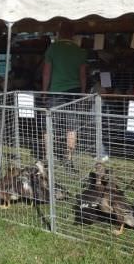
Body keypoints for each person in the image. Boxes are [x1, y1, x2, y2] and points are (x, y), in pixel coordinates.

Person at [42, 22, 87, 170]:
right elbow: (83, 75)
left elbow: (47, 72)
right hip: (73, 93)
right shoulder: (80, 51)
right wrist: (82, 93)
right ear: (73, 34)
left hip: (55, 92)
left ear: (59, 32)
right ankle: (68, 159)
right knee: (71, 128)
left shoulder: (52, 49)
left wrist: (44, 91)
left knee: (49, 126)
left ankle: (48, 158)